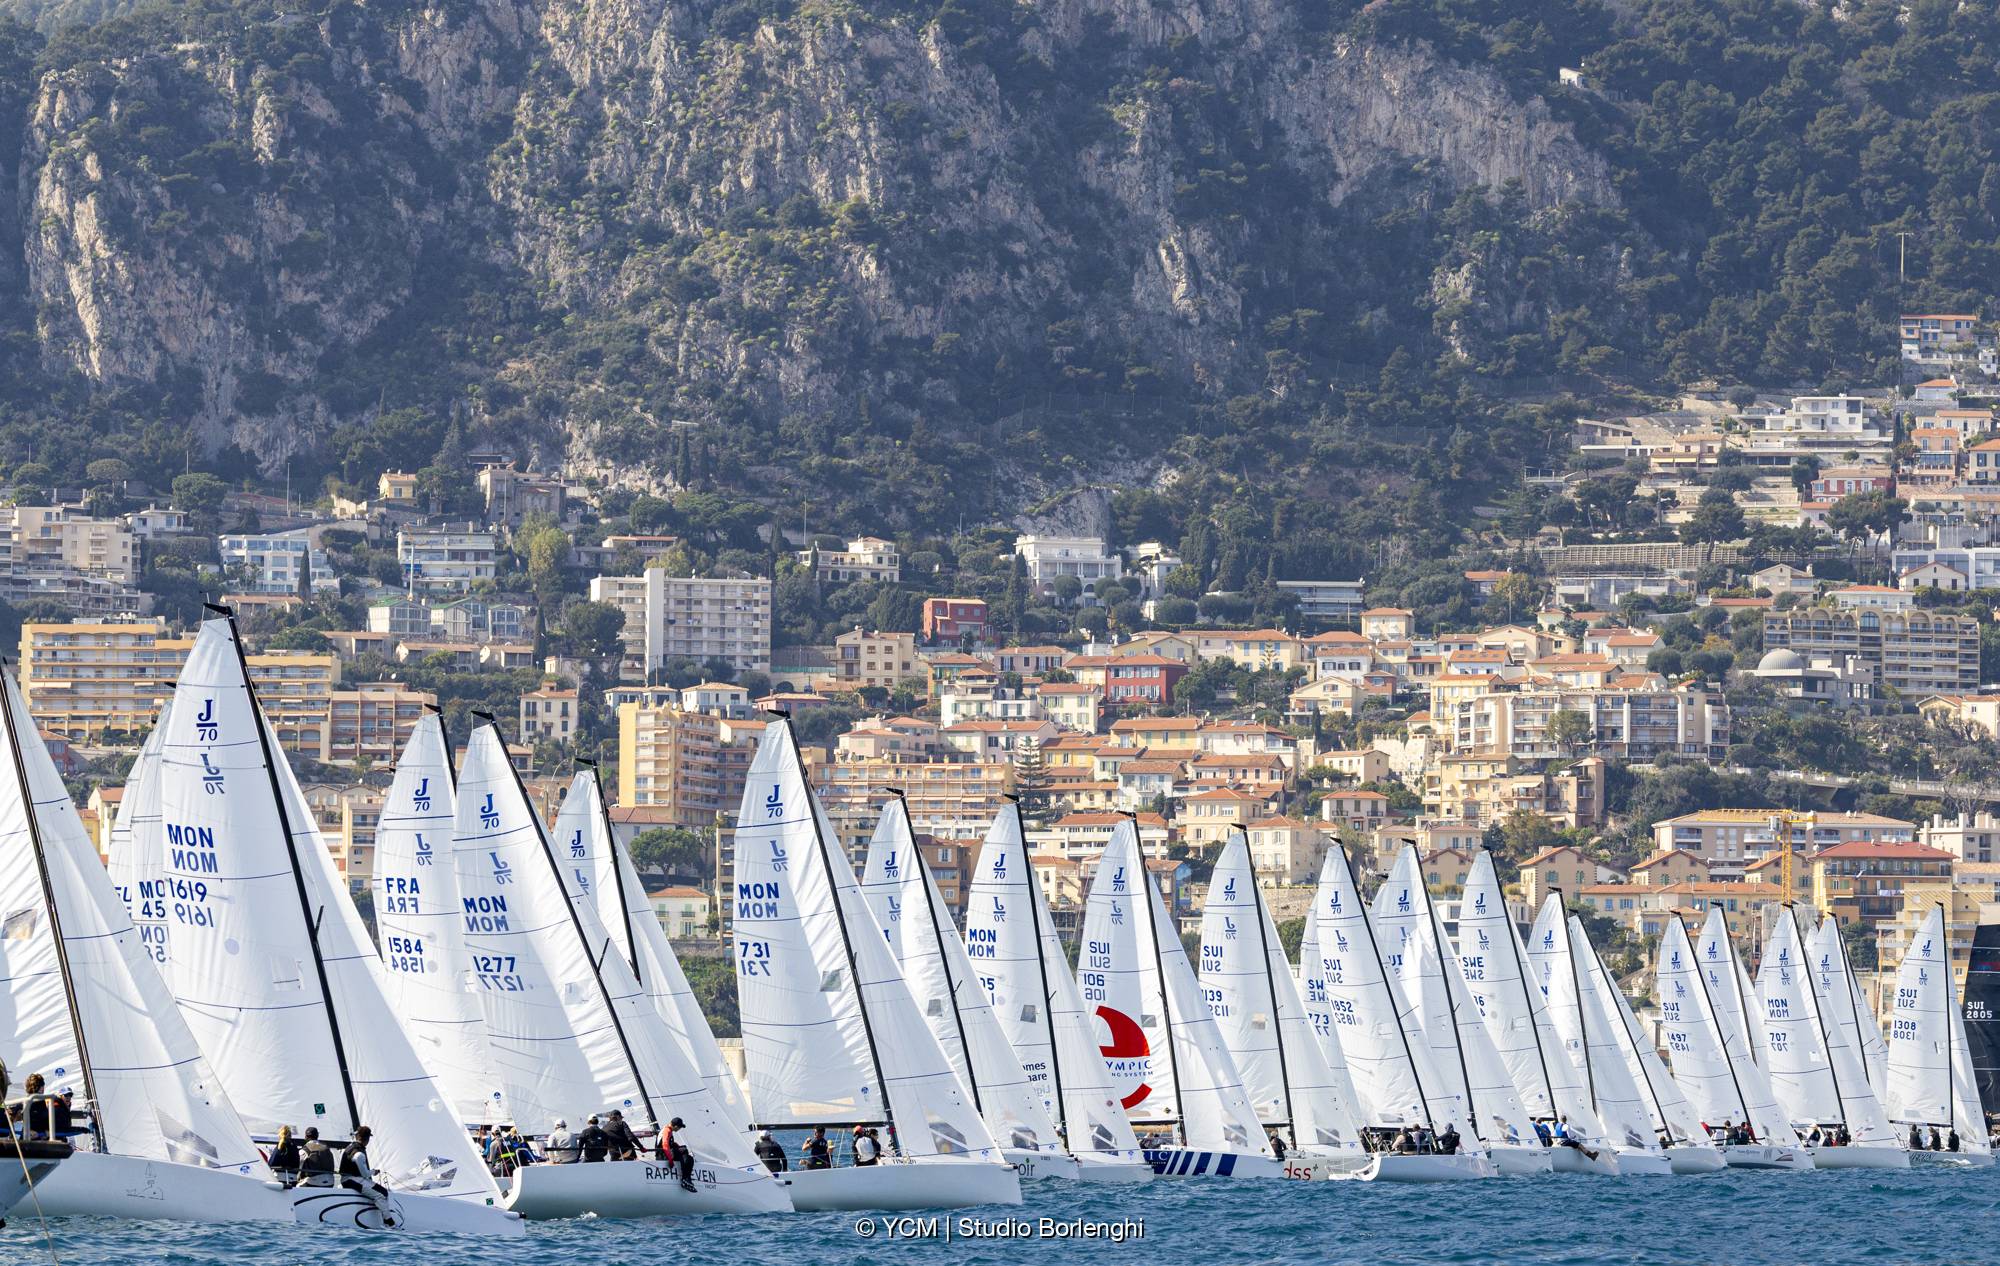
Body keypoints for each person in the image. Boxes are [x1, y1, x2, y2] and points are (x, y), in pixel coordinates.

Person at [340, 1126, 396, 1228]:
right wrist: (374, 1171)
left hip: (352, 1179)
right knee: (380, 1195)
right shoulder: (359, 1154)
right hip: (350, 1180)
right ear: (367, 1139)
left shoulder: (351, 1145)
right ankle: (390, 1223)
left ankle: (386, 1220)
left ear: (357, 1136)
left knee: (383, 1192)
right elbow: (365, 1174)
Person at [661, 1117, 696, 1192]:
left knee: (689, 1158)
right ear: (676, 1126)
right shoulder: (667, 1130)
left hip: (666, 1153)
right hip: (663, 1155)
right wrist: (670, 1160)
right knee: (684, 1151)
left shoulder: (669, 1130)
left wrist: (677, 1146)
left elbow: (670, 1144)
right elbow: (665, 1145)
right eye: (680, 1127)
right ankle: (685, 1179)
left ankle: (687, 1178)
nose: (679, 1129)